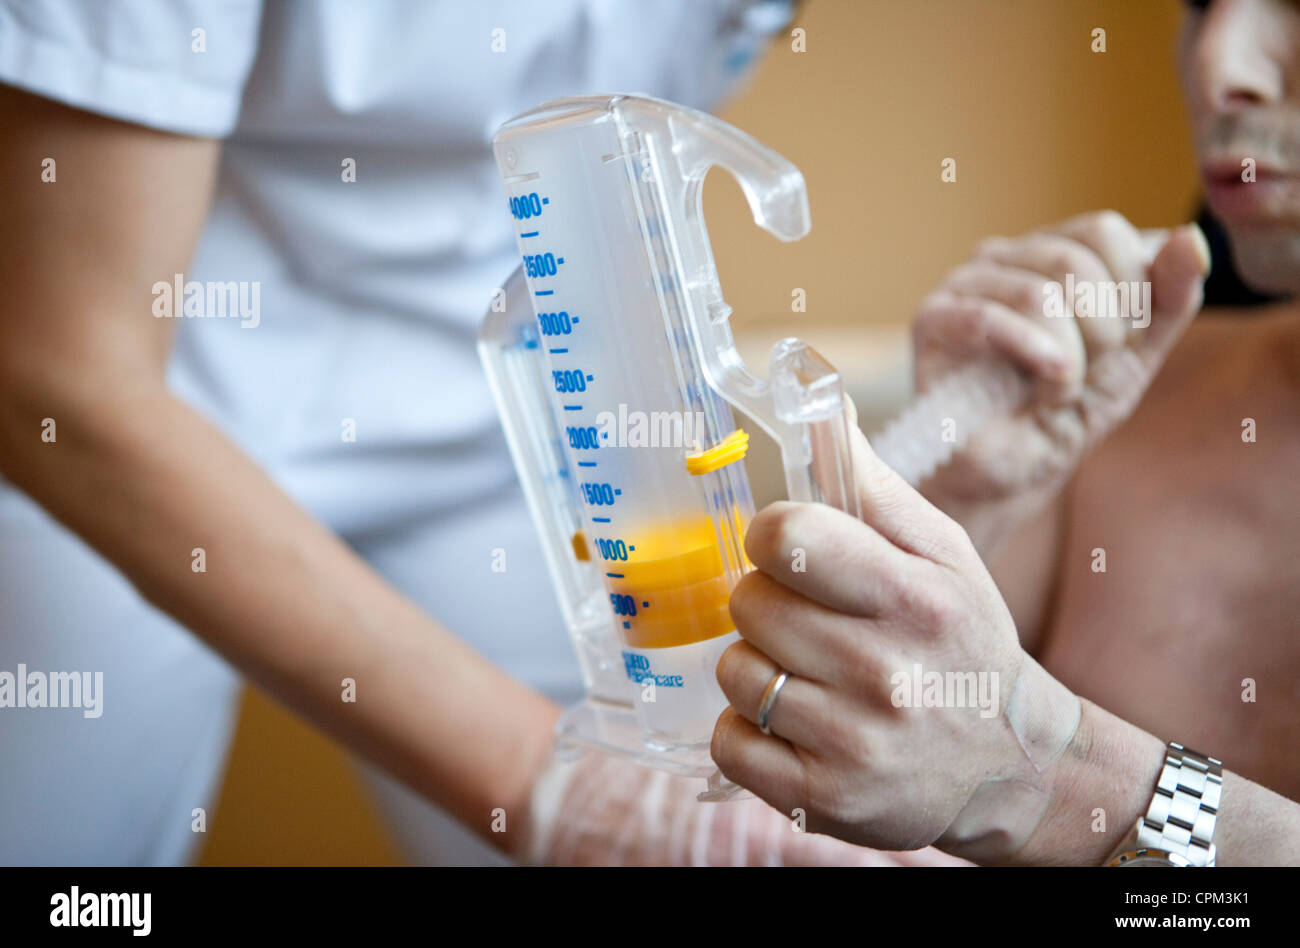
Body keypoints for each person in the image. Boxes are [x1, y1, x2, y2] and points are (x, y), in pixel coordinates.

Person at [0, 0, 948, 866]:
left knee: (714, 811)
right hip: (138, 407)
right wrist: (552, 789)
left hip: (514, 431)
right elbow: (59, 374)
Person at [711, 0, 1300, 864]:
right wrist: (968, 498)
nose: (1221, 70)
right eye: (1202, 6)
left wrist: (1052, 782)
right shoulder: (1128, 389)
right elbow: (824, 800)